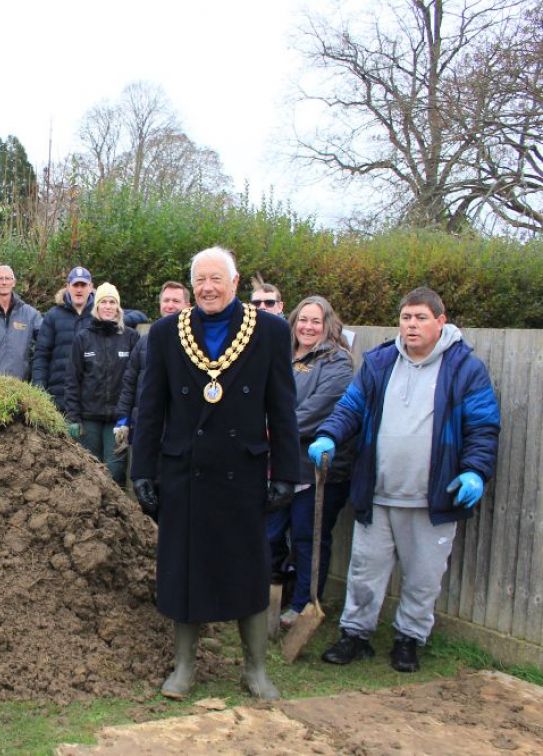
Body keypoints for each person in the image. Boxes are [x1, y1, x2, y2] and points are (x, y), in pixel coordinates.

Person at [131, 246, 298, 700]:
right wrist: (142, 469)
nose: (207, 287)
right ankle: (184, 666)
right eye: (199, 279)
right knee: (185, 568)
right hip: (184, 471)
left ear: (235, 281)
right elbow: (150, 408)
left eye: (216, 279)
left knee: (249, 568)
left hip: (242, 472)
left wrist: (286, 469)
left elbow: (282, 407)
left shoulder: (270, 332)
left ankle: (255, 668)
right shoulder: (167, 332)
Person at [310, 287, 500, 673]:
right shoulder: (380, 362)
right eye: (406, 318)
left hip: (434, 498)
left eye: (420, 318)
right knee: (364, 570)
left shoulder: (464, 369)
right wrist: (329, 434)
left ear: (440, 322)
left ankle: (409, 639)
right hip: (378, 494)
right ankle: (355, 636)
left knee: (424, 577)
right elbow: (351, 406)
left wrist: (474, 471)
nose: (411, 326)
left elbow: (483, 427)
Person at [266, 296, 355, 630]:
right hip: (280, 463)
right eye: (302, 320)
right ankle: (266, 598)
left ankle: (304, 603)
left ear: (327, 325)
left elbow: (315, 410)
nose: (307, 327)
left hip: (315, 468)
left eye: (315, 321)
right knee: (270, 533)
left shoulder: (337, 363)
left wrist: (268, 429)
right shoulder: (284, 355)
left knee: (308, 538)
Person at [63, 282, 140, 482]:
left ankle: (115, 512)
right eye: (103, 302)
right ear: (96, 307)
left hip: (118, 420)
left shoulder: (131, 337)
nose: (107, 306)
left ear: (118, 307)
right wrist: (73, 417)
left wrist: (128, 416)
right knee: (89, 472)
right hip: (89, 418)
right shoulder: (83, 338)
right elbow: (73, 379)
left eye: (112, 302)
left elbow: (136, 379)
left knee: (114, 472)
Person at [113, 281, 191, 454]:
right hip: (145, 427)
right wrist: (123, 419)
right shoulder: (144, 341)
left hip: (181, 431)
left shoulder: (196, 343)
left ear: (187, 305)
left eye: (176, 301)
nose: (170, 305)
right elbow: (129, 382)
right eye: (166, 300)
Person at [32, 266, 95, 414]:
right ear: (67, 287)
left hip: (90, 401)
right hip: (58, 399)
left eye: (83, 285)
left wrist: (124, 317)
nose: (79, 290)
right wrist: (39, 392)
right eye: (75, 285)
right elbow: (41, 356)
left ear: (91, 287)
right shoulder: (53, 316)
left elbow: (121, 314)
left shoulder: (99, 316)